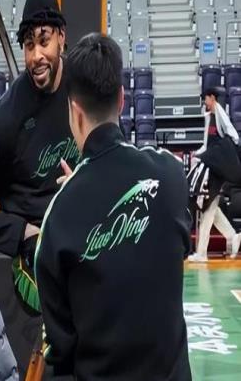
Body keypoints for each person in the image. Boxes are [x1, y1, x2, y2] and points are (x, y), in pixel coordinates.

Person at [35, 33, 192, 380]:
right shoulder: (171, 176)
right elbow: (176, 247)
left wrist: (79, 193)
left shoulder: (59, 215)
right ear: (122, 100)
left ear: (74, 112)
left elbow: (60, 351)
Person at [0, 0, 80, 311]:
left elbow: (113, 161)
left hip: (84, 237)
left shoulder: (85, 89)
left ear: (61, 36)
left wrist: (86, 186)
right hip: (35, 263)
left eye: (43, 41)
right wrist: (23, 232)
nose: (36, 56)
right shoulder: (6, 116)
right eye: (28, 45)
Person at [188, 86, 241, 262]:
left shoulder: (220, 113)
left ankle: (202, 253)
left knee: (208, 208)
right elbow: (206, 145)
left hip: (218, 169)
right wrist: (197, 154)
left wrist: (223, 153)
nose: (205, 102)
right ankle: (233, 236)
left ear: (212, 98)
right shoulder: (208, 117)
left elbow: (234, 136)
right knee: (211, 206)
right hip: (211, 166)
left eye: (206, 98)